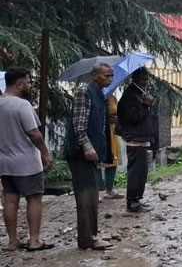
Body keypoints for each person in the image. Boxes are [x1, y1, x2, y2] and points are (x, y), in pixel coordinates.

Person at [1, 70, 54, 252]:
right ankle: (34, 240)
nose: (30, 86)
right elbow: (34, 134)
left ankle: (13, 241)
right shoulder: (22, 105)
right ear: (20, 84)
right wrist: (45, 153)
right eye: (28, 83)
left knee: (9, 200)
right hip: (27, 163)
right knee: (34, 199)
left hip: (5, 162)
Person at [66, 63, 113, 251]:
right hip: (81, 153)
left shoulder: (100, 94)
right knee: (87, 196)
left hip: (92, 152)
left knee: (93, 195)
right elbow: (79, 124)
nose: (110, 79)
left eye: (111, 75)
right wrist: (87, 147)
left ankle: (90, 235)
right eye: (107, 75)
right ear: (95, 76)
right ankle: (88, 238)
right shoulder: (84, 92)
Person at [117, 69, 157, 213]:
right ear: (136, 79)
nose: (146, 82)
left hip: (143, 138)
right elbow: (132, 118)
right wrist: (146, 105)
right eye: (143, 79)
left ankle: (137, 199)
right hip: (135, 139)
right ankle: (132, 202)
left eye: (147, 79)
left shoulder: (140, 94)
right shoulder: (129, 96)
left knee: (142, 172)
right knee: (135, 172)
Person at [101, 90, 122, 199]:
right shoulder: (99, 97)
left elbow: (118, 113)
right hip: (102, 132)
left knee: (114, 160)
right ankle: (98, 191)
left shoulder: (113, 98)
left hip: (113, 132)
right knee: (101, 161)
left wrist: (117, 119)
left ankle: (110, 189)